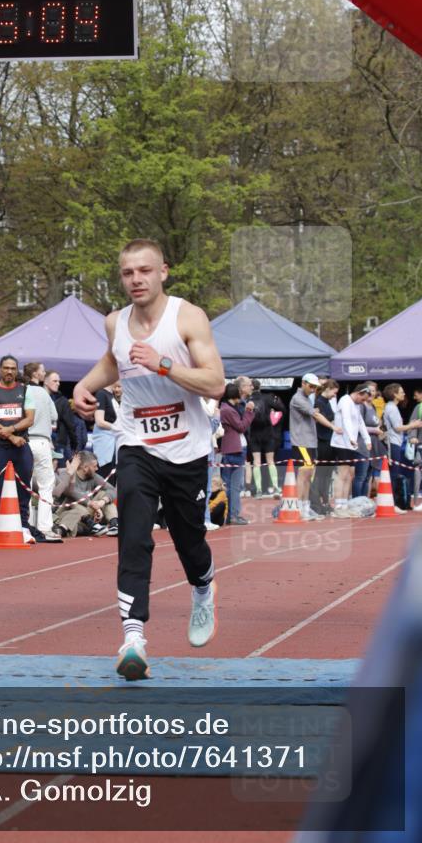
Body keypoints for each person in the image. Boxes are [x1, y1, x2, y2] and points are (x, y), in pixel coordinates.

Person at [73, 238, 225, 681]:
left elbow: (215, 384)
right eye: (127, 273)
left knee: (187, 537)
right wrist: (84, 385)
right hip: (137, 442)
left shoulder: (188, 317)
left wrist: (164, 365)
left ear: (164, 272)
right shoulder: (114, 322)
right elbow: (113, 360)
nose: (136, 279)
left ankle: (202, 587)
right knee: (133, 533)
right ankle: (133, 637)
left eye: (144, 270)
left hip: (188, 449)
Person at [0, 355, 36, 545]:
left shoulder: (25, 390)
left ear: (16, 370)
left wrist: (11, 430)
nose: (9, 371)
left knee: (24, 486)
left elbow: (30, 419)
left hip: (21, 445)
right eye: (6, 368)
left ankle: (24, 527)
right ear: (0, 370)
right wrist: (11, 436)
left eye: (13, 368)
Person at [289, 373, 340, 520]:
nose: (313, 389)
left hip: (309, 442)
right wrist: (333, 427)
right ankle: (299, 508)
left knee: (308, 476)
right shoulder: (298, 398)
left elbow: (314, 415)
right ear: (303, 383)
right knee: (304, 476)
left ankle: (305, 507)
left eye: (315, 387)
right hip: (302, 442)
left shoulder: (305, 399)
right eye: (311, 386)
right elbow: (315, 415)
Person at [24, 361, 61, 542]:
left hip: (25, 441)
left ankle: (27, 525)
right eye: (42, 371)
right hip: (42, 441)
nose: (44, 374)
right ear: (36, 375)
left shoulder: (21, 391)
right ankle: (45, 527)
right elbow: (54, 416)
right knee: (46, 485)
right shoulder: (44, 394)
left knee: (26, 485)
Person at [329, 384, 373, 516]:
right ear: (359, 393)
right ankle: (338, 504)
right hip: (341, 443)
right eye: (363, 399)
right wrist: (352, 438)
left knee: (350, 475)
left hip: (350, 444)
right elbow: (346, 419)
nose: (363, 402)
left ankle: (344, 503)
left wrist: (367, 440)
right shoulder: (345, 400)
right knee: (342, 474)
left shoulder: (356, 405)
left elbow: (360, 423)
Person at [53, 451, 118, 537]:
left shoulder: (94, 476)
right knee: (73, 499)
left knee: (104, 494)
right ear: (85, 467)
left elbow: (112, 490)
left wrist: (101, 502)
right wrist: (91, 504)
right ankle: (91, 525)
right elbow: (71, 493)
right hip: (68, 514)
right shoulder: (65, 473)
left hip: (87, 514)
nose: (97, 469)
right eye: (94, 466)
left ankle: (114, 524)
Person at [219, 383, 255, 525]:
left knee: (230, 484)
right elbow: (241, 426)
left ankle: (229, 514)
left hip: (231, 448)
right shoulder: (228, 410)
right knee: (233, 485)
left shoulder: (226, 408)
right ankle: (232, 515)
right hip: (234, 449)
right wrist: (249, 411)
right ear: (235, 395)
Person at [382, 383, 420, 512]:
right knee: (394, 473)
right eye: (401, 392)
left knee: (396, 473)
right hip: (393, 443)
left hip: (395, 442)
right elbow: (397, 428)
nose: (404, 394)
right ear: (394, 394)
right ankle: (392, 504)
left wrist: (411, 424)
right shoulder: (391, 408)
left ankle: (395, 503)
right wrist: (413, 425)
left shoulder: (392, 407)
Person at [310, 379, 339, 516]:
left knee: (327, 475)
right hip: (323, 442)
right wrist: (332, 426)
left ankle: (325, 502)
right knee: (321, 475)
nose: (335, 395)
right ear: (327, 389)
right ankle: (317, 503)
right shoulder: (318, 403)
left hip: (329, 441)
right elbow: (320, 419)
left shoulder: (326, 403)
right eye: (334, 392)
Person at [247, 379, 277, 498]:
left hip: (254, 434)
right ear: (260, 387)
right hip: (268, 433)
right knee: (271, 461)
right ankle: (275, 487)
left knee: (256, 463)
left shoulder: (248, 400)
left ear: (251, 387)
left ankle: (259, 490)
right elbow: (280, 408)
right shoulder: (268, 398)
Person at [44, 370, 79, 461]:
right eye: (55, 381)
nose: (58, 383)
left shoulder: (63, 401)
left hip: (58, 444)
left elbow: (70, 425)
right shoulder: (36, 397)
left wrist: (74, 445)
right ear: (45, 381)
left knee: (61, 473)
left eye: (59, 381)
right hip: (41, 442)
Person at [91, 381, 122, 478]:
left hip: (113, 444)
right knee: (105, 478)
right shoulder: (101, 394)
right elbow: (99, 421)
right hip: (105, 446)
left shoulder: (111, 395)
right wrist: (120, 429)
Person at [409, 387, 422, 511]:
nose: (414, 398)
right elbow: (413, 423)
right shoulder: (419, 407)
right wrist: (413, 436)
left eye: (416, 395)